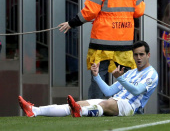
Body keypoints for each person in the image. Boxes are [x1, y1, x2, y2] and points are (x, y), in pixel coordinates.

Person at [58, 0, 145, 99]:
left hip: (102, 39)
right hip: (124, 39)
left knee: (98, 75)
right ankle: (128, 105)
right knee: (127, 77)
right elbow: (139, 11)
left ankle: (96, 107)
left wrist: (72, 23)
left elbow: (90, 12)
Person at [18, 41, 158, 117]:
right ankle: (34, 110)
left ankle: (82, 112)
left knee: (104, 105)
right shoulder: (130, 73)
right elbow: (109, 91)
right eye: (136, 55)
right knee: (78, 103)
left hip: (129, 107)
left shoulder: (152, 74)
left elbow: (137, 90)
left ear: (148, 55)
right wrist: (96, 76)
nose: (138, 58)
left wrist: (120, 79)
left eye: (141, 54)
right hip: (113, 101)